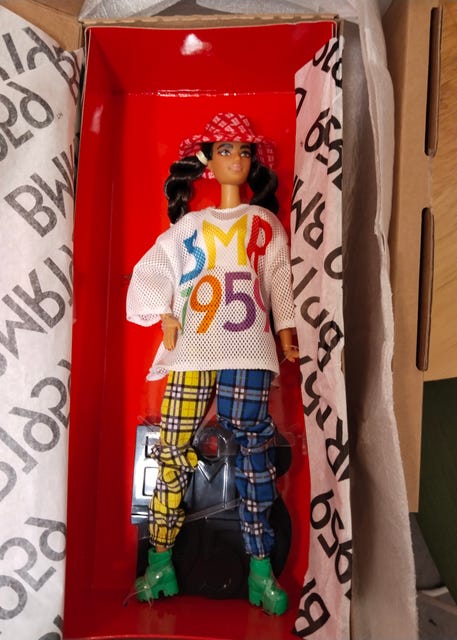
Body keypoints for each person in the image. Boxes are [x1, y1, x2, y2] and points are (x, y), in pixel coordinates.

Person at [126, 112, 298, 615]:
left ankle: (260, 569)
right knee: (173, 447)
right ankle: (160, 561)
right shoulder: (190, 227)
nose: (237, 160)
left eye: (244, 151)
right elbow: (155, 268)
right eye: (226, 151)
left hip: (248, 346)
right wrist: (162, 312)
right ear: (207, 161)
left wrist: (287, 333)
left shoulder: (264, 223)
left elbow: (278, 280)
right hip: (195, 346)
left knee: (253, 452)